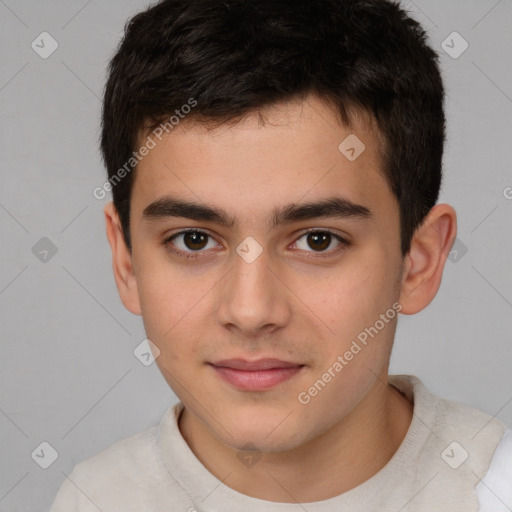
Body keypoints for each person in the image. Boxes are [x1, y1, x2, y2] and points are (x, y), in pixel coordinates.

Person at [50, 0, 512, 510]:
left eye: (318, 240)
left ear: (419, 261)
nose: (250, 312)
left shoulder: (495, 488)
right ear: (127, 260)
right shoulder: (94, 500)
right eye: (194, 240)